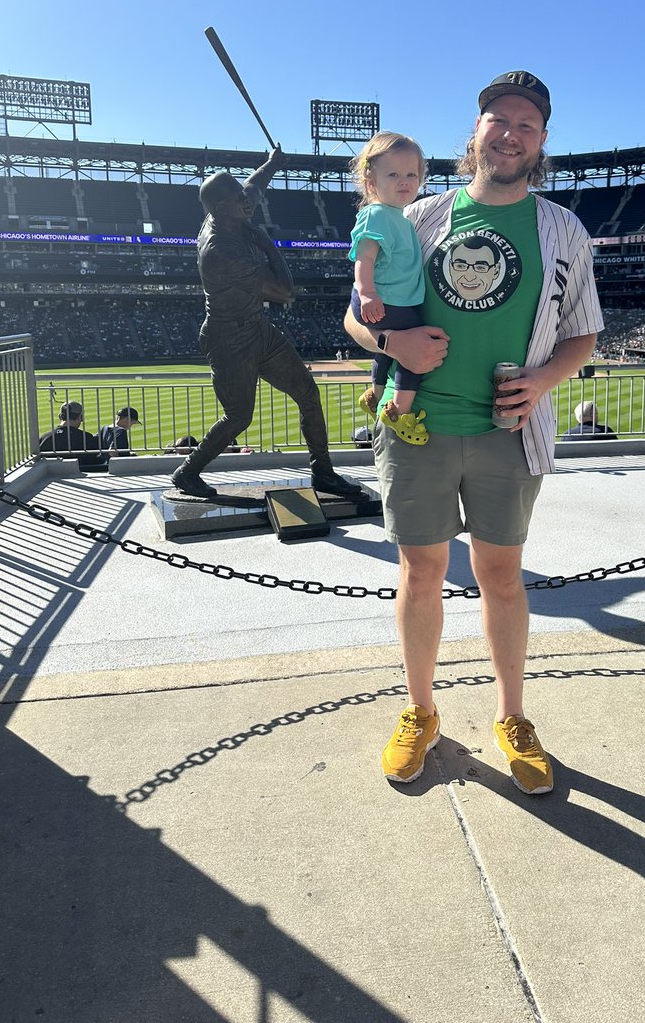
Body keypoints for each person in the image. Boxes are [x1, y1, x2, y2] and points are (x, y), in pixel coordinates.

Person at [345, 70, 604, 793]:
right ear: (477, 130)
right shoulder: (418, 214)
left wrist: (544, 380)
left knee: (501, 579)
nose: (511, 132)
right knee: (422, 573)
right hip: (416, 426)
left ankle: (513, 717)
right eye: (498, 118)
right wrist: (393, 349)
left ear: (542, 140)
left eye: (526, 123)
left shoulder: (562, 228)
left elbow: (583, 334)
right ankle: (420, 710)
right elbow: (355, 317)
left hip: (508, 432)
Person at [170, 148, 360, 500]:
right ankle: (187, 472)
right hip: (228, 338)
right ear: (220, 208)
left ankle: (323, 473)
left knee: (308, 393)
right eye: (239, 199)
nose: (248, 202)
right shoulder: (221, 249)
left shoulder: (230, 211)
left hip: (256, 328)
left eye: (244, 197)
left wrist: (272, 164)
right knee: (239, 417)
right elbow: (285, 292)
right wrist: (267, 242)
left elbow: (255, 186)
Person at [349, 132, 429, 446]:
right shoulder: (378, 214)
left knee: (390, 349)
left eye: (412, 174)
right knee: (415, 351)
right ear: (371, 179)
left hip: (389, 298)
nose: (404, 181)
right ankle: (399, 412)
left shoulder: (398, 216)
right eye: (393, 174)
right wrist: (367, 293)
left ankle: (377, 394)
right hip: (384, 298)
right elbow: (364, 258)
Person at [38, 401, 104, 471]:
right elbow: (96, 462)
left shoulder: (44, 437)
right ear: (79, 418)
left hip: (51, 476)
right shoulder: (85, 438)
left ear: (60, 416)